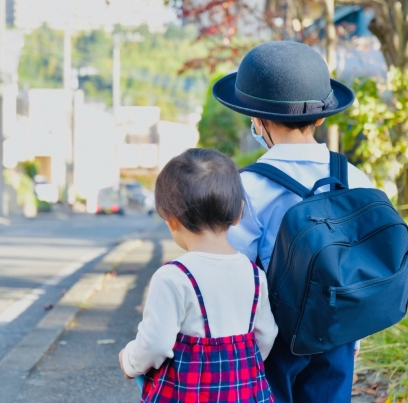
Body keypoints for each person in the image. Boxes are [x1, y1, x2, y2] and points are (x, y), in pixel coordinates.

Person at [212, 41, 375, 402]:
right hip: (338, 329)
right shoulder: (356, 178)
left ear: (256, 119)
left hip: (274, 336)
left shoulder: (247, 186)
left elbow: (234, 271)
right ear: (320, 116)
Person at [118, 148, 279, 402]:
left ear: (171, 220)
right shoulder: (254, 275)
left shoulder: (173, 277)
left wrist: (129, 361)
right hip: (245, 392)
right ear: (238, 213)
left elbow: (155, 344)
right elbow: (266, 335)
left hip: (188, 392)